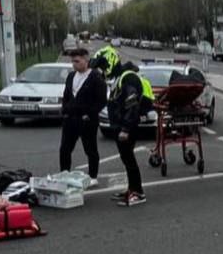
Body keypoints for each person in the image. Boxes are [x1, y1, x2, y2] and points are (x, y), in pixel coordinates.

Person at [101, 56, 153, 208]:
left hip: (128, 127)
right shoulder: (121, 78)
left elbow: (132, 105)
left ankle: (138, 192)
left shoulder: (128, 78)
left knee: (129, 160)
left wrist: (125, 129)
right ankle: (132, 189)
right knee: (127, 159)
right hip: (122, 125)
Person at [59, 47, 108, 184]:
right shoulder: (71, 76)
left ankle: (93, 176)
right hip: (70, 119)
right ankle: (64, 174)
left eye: (77, 61)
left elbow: (101, 101)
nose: (74, 64)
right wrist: (65, 110)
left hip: (87, 120)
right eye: (72, 61)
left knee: (90, 149)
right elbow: (66, 95)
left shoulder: (96, 77)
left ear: (86, 60)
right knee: (65, 149)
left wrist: (89, 114)